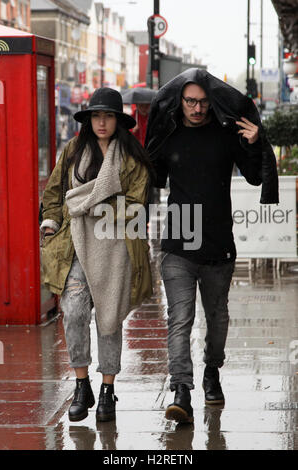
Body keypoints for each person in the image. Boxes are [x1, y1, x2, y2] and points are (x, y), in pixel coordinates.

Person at [145, 68, 278, 424]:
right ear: (180, 101)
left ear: (211, 102)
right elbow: (150, 174)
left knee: (217, 320)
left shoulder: (225, 134)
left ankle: (212, 371)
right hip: (177, 243)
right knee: (180, 319)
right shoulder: (169, 133)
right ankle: (181, 390)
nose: (198, 108)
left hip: (219, 243)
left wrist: (254, 142)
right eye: (190, 101)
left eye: (203, 102)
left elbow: (253, 175)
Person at [40, 87, 153, 423]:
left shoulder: (132, 156)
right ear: (88, 119)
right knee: (73, 311)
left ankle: (107, 389)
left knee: (108, 316)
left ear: (119, 121)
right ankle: (81, 385)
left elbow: (137, 204)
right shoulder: (74, 150)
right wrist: (50, 221)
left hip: (116, 246)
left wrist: (98, 206)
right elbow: (55, 193)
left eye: (108, 116)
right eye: (96, 115)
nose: (102, 122)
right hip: (75, 244)